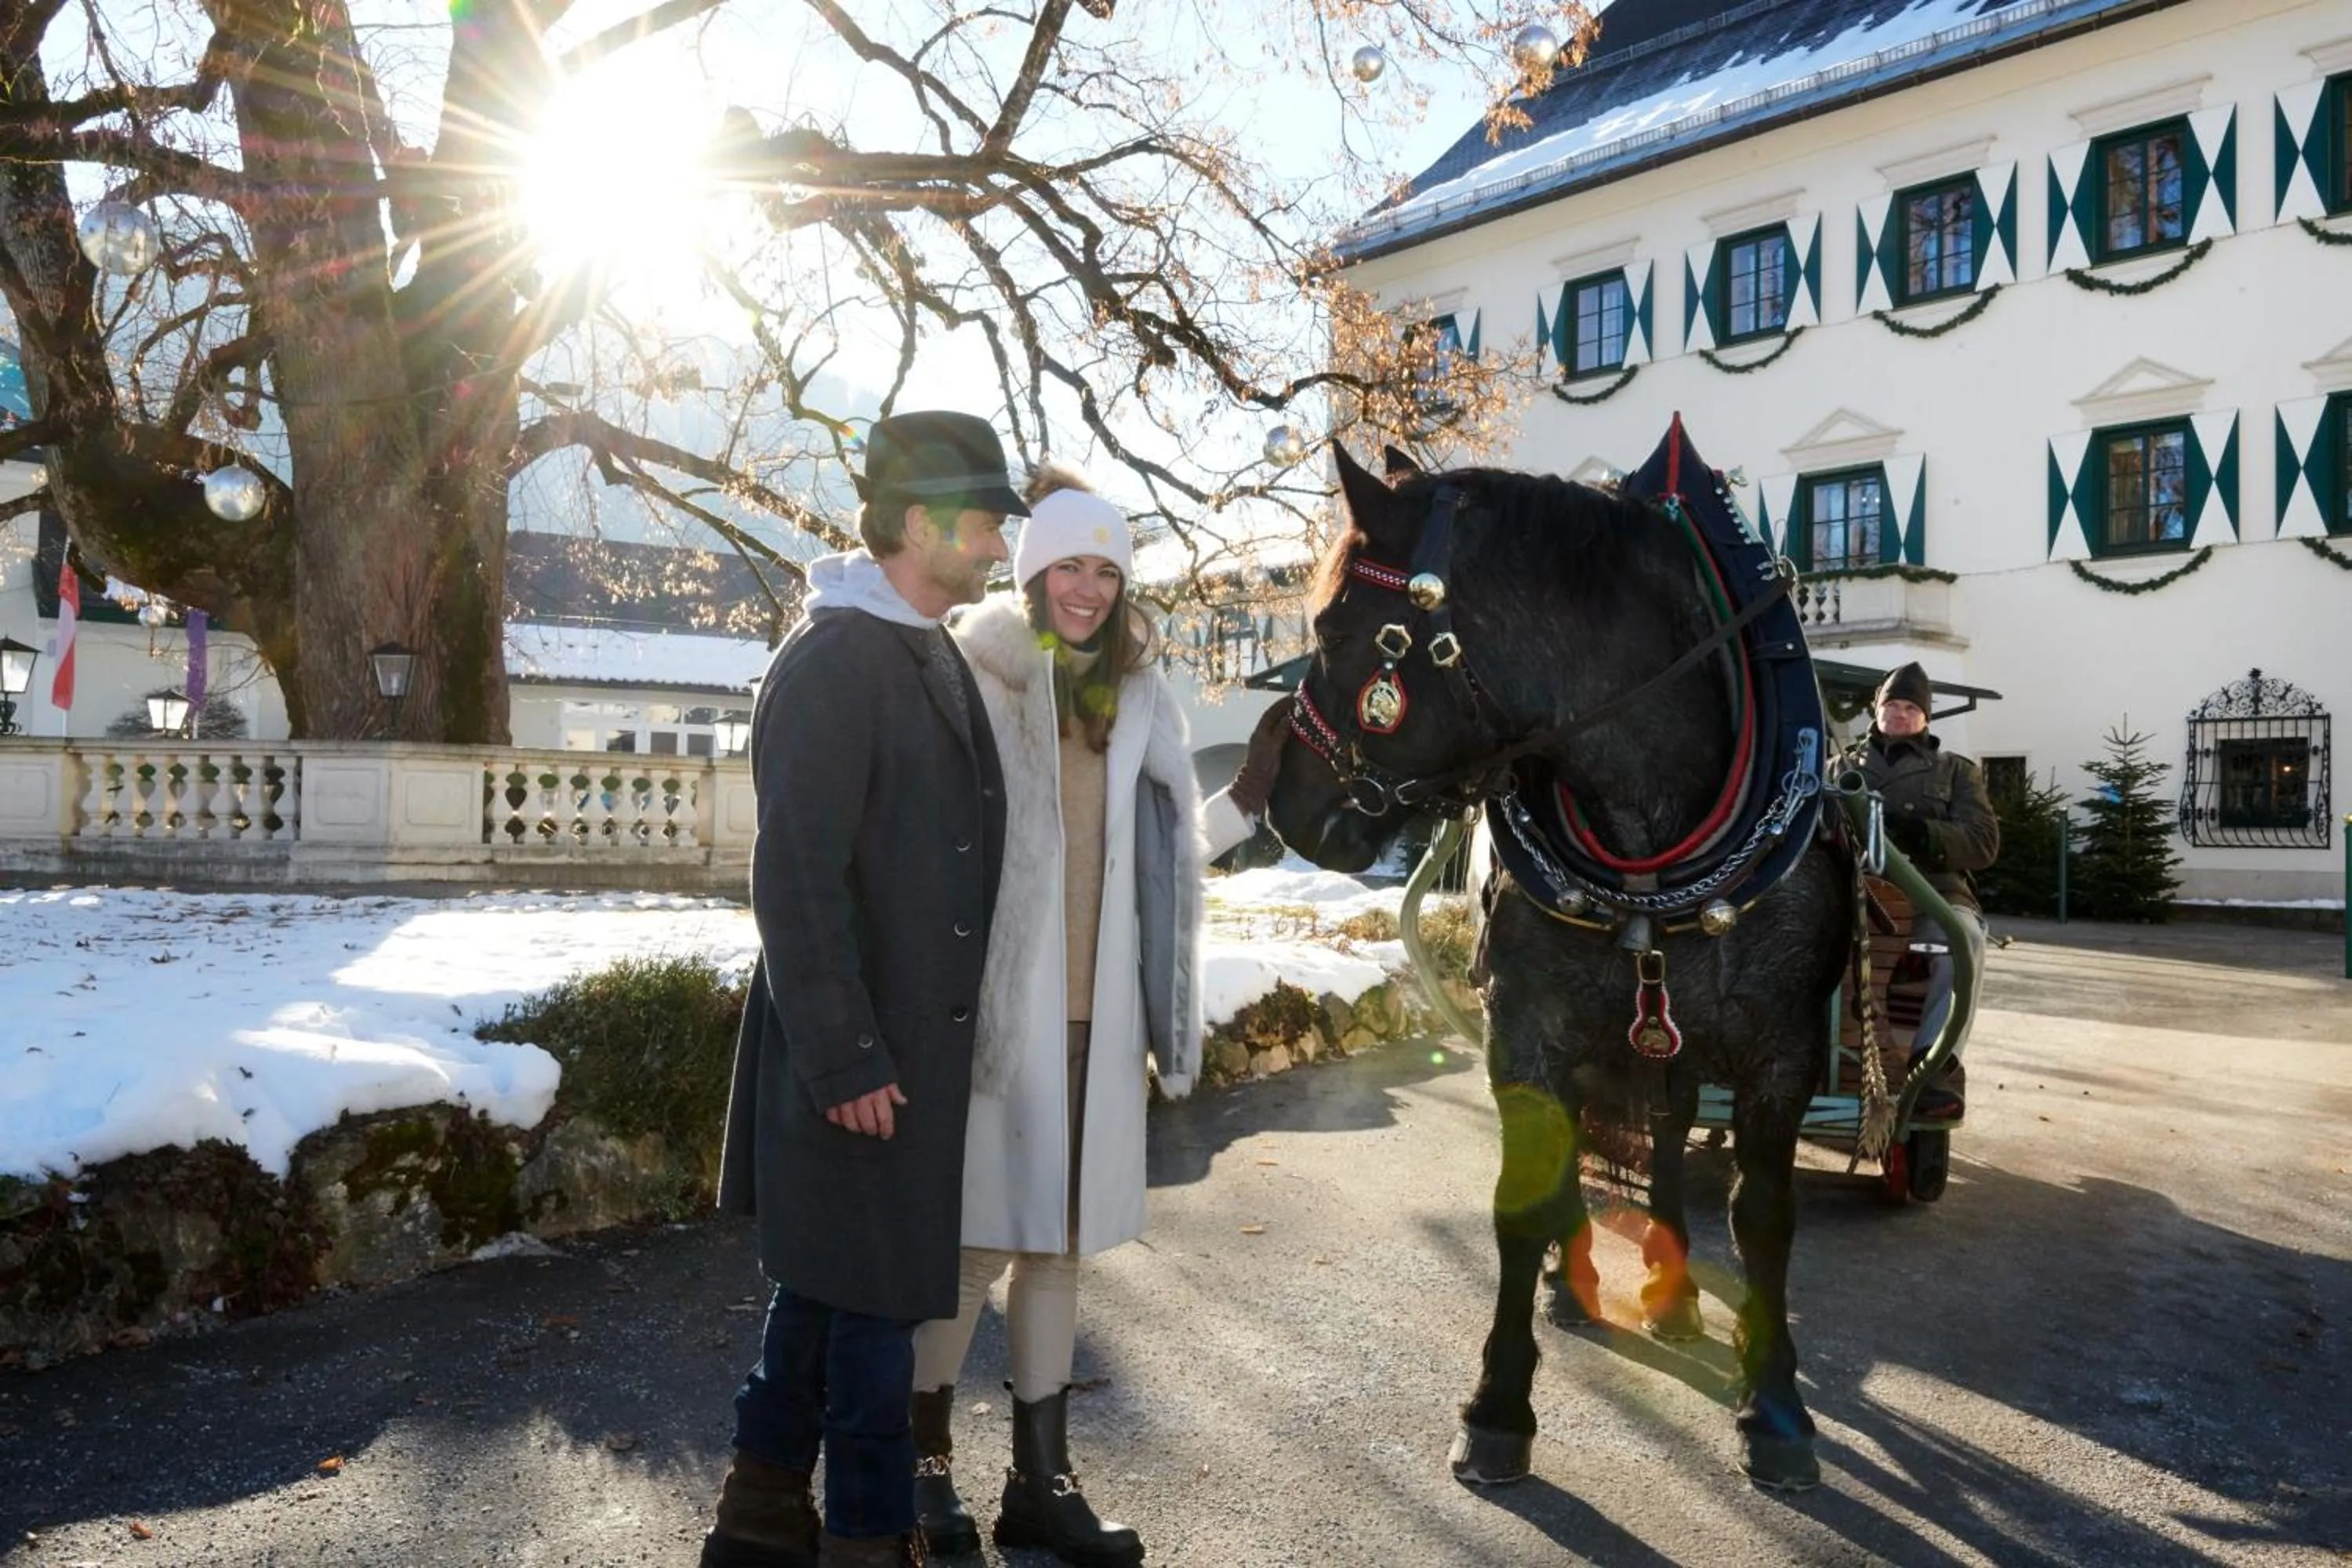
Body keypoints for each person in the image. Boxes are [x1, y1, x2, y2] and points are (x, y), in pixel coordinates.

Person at [909, 463, 1285, 1566]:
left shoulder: (1141, 700)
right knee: (978, 1244)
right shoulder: (977, 673)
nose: (1088, 587)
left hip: (1101, 1020)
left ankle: (1042, 1484)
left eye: (1108, 570)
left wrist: (1249, 800)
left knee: (1063, 1250)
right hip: (994, 1019)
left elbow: (1164, 858)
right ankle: (924, 1475)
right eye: (1068, 564)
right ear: (1030, 572)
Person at [704, 411, 1029, 1568]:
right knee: (880, 1316)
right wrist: (846, 1060)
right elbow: (794, 880)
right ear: (918, 523)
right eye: (985, 521)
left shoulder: (921, 644)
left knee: (831, 1294)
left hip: (901, 1058)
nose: (998, 547)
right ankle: (867, 1540)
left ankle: (754, 1523)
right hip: (858, 1061)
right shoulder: (839, 656)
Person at [1854, 662, 1999, 1120]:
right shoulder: (1840, 765)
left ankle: (1932, 1064)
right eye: (1891, 705)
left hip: (1932, 892)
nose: (1899, 714)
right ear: (1875, 711)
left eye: (1910, 707)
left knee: (1964, 939)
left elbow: (1983, 841)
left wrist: (1923, 834)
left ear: (1926, 719)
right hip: (1850, 891)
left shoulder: (1956, 772)